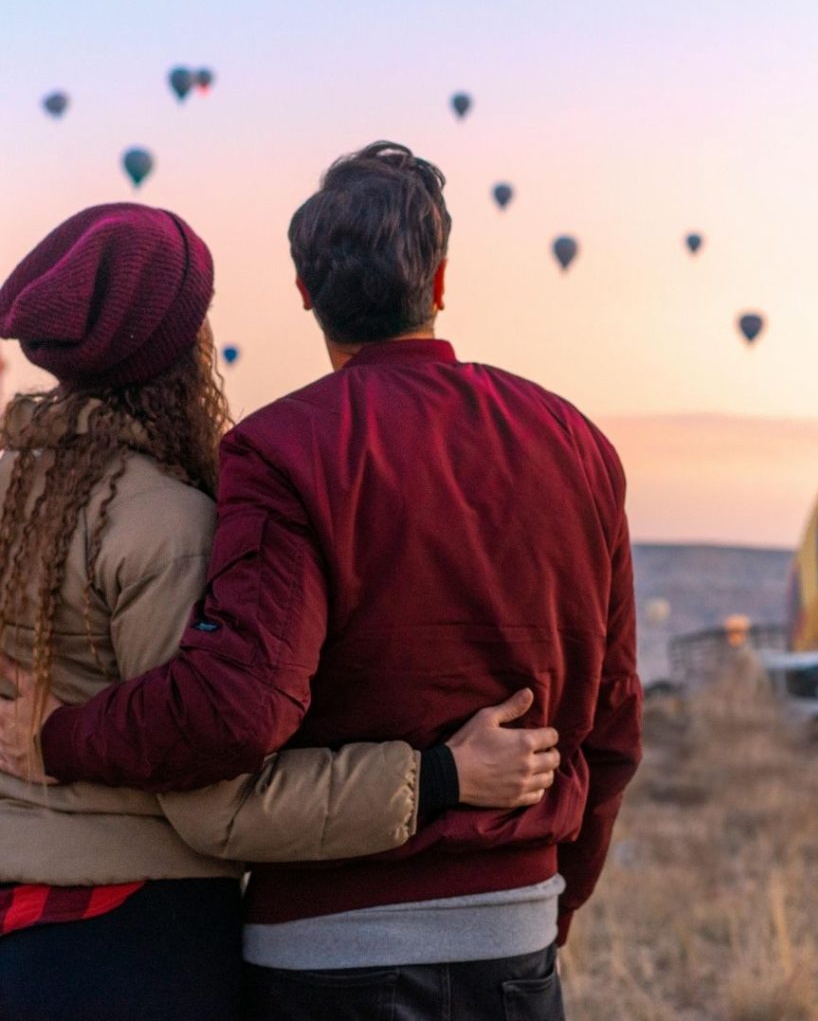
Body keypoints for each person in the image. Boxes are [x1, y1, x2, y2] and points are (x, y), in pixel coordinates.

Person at [0, 143, 644, 1021]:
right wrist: (551, 902)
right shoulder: (579, 445)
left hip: (324, 948)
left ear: (305, 293)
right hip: (512, 940)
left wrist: (62, 737)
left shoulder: (281, 451)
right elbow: (611, 723)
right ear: (442, 279)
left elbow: (237, 712)